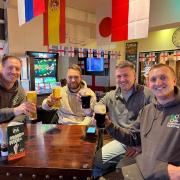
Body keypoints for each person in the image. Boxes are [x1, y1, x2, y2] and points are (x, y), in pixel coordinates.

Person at [105, 63, 180, 179]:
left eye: (163, 77)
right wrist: (108, 125)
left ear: (174, 81)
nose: (158, 83)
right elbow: (132, 137)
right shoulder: (146, 111)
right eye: (153, 79)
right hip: (143, 169)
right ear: (148, 84)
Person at [93, 61, 154, 178]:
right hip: (120, 141)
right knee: (96, 160)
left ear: (134, 76)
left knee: (124, 170)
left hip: (140, 144)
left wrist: (142, 146)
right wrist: (94, 113)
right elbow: (98, 105)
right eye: (119, 76)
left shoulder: (147, 94)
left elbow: (156, 124)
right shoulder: (111, 95)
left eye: (126, 75)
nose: (122, 79)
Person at [0, 55, 36, 123]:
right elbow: (17, 111)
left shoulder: (20, 90)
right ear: (1, 68)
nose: (14, 72)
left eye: (17, 69)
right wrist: (14, 111)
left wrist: (12, 126)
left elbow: (22, 113)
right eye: (10, 68)